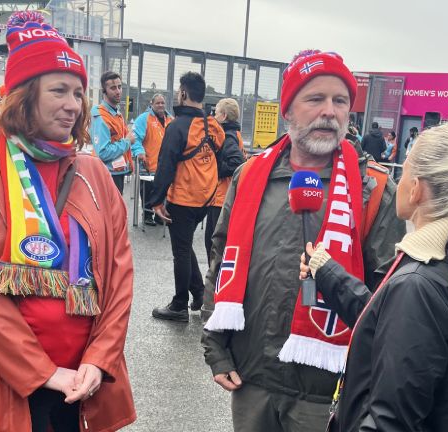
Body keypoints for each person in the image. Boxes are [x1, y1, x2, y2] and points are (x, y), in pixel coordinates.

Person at [0, 11, 135, 432]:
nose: (73, 104)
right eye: (59, 90)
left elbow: (119, 275)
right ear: (24, 94)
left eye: (79, 92)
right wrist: (42, 371)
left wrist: (100, 358)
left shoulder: (93, 173)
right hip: (11, 382)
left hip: (85, 384)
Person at [201, 50, 405, 431]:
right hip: (252, 380)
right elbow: (221, 260)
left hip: (325, 394)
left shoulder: (374, 189)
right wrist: (216, 348)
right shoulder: (250, 176)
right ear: (288, 111)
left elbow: (387, 301)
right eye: (315, 99)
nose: (329, 111)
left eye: (340, 101)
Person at [301, 120, 448, 432]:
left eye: (405, 170)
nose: (398, 181)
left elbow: (390, 422)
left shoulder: (419, 286)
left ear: (417, 188)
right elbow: (388, 324)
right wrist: (327, 271)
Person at [147, 71, 226, 322]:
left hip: (182, 198)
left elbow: (165, 165)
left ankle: (179, 305)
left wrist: (156, 201)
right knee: (185, 246)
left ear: (183, 93)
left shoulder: (177, 126)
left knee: (180, 251)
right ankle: (199, 294)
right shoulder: (213, 126)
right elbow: (220, 157)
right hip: (205, 199)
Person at [204, 97, 245, 264]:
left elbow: (237, 162)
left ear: (224, 116)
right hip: (224, 196)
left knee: (213, 244)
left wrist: (215, 171)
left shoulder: (227, 137)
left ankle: (213, 282)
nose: (213, 115)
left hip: (220, 198)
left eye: (216, 112)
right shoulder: (235, 133)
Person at [91, 71, 144, 194]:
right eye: (113, 88)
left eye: (120, 87)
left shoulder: (117, 114)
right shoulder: (101, 116)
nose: (118, 91)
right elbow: (102, 152)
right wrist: (127, 142)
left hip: (117, 173)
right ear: (104, 91)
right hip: (106, 175)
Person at [131, 93, 172, 225]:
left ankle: (160, 216)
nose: (160, 105)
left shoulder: (170, 119)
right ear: (151, 104)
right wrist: (139, 151)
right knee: (147, 191)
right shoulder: (144, 119)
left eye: (162, 103)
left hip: (165, 166)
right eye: (157, 103)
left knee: (163, 192)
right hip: (149, 164)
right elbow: (135, 137)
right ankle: (147, 214)